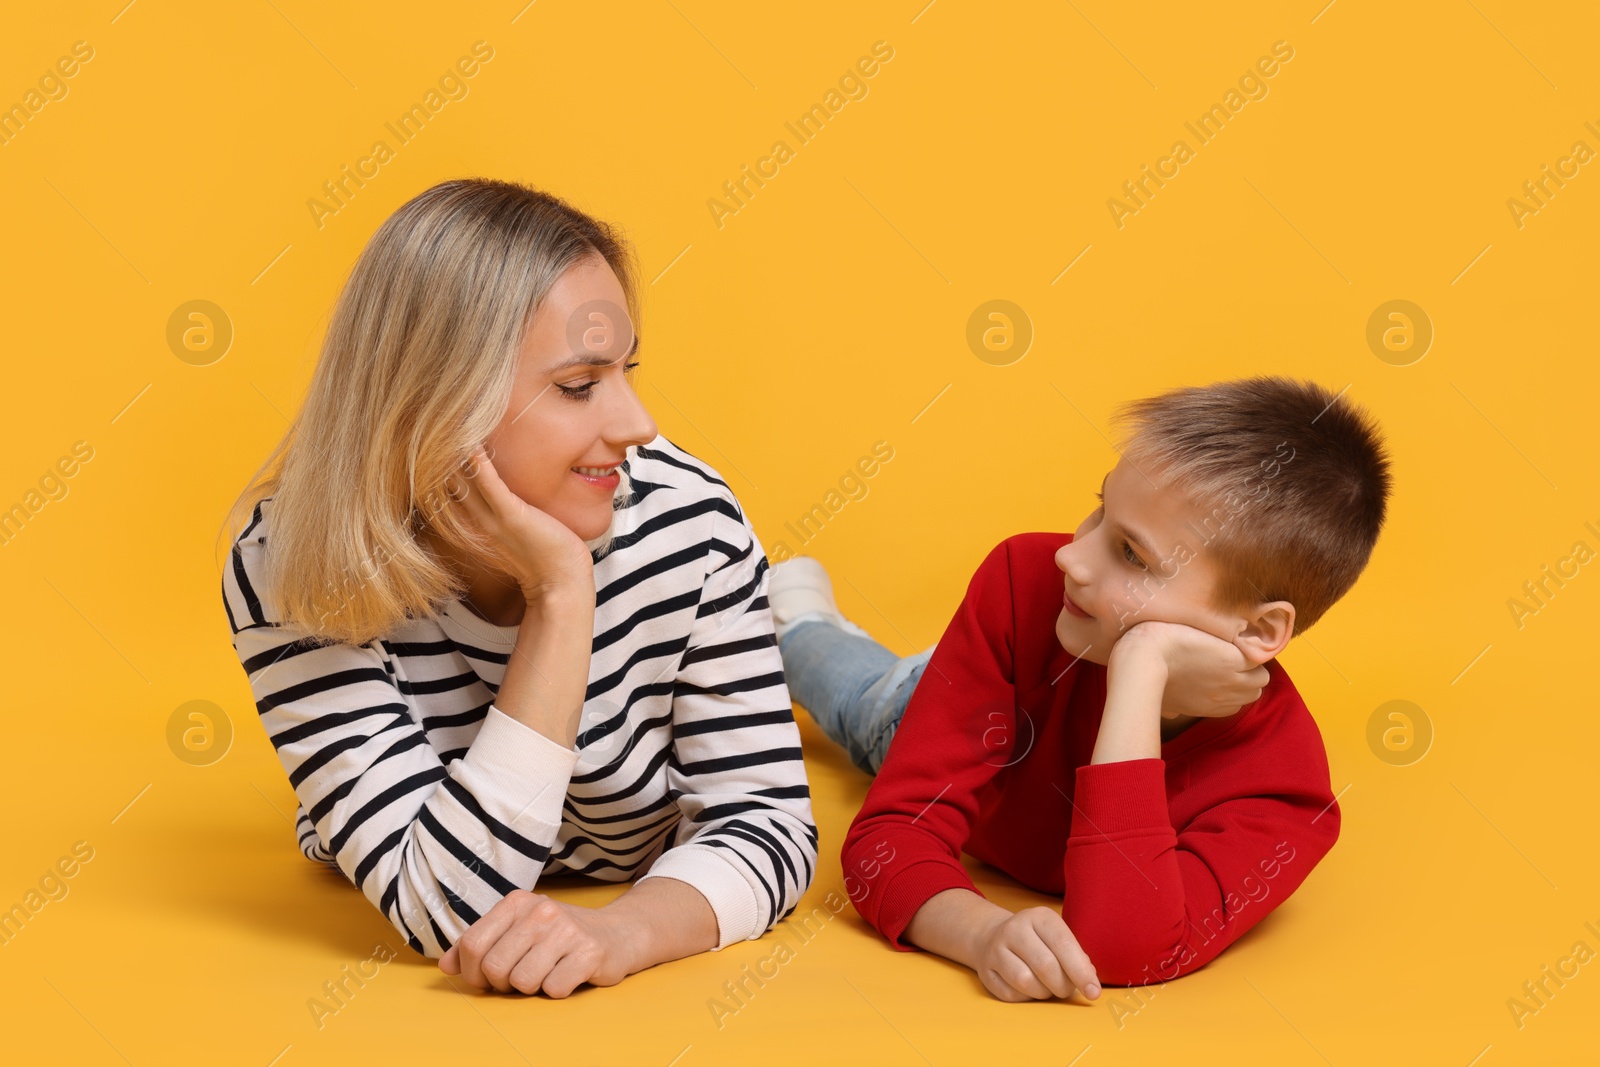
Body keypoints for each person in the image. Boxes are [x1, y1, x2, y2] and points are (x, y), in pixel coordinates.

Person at [218, 178, 817, 998]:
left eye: (626, 372)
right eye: (579, 386)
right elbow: (446, 908)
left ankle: (806, 624)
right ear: (436, 403)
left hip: (635, 859)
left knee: (834, 676)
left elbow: (770, 824)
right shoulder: (290, 567)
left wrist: (623, 929)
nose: (639, 424)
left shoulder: (689, 522)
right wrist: (561, 598)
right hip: (443, 842)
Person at [768, 376, 1391, 1003]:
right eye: (1098, 509)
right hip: (948, 701)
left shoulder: (1287, 796)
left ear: (1258, 629)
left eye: (1132, 555)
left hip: (1055, 662)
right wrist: (982, 934)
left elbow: (1122, 949)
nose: (1073, 558)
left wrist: (1141, 667)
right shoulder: (1023, 584)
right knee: (864, 703)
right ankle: (800, 623)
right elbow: (887, 841)